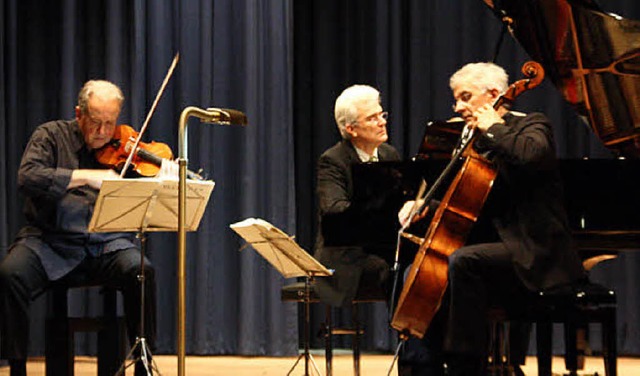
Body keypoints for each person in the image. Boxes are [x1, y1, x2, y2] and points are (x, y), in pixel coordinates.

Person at [397, 62, 586, 375]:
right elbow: (461, 194)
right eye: (456, 99)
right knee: (414, 272)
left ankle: (466, 367)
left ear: (494, 95)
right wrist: (423, 203)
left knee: (464, 261)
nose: (458, 107)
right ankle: (421, 367)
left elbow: (530, 154)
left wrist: (493, 128)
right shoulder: (470, 140)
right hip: (490, 248)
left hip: (532, 250)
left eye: (466, 97)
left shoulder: (532, 125)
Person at [0, 80, 157, 376]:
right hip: (49, 241)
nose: (102, 132)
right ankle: (16, 367)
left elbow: (145, 193)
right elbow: (28, 177)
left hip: (105, 245)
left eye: (109, 123)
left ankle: (144, 367)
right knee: (10, 275)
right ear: (79, 113)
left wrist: (165, 173)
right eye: (95, 122)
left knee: (141, 272)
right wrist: (84, 176)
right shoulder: (50, 135)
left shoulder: (123, 147)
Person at [313, 84, 400, 307]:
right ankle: (405, 333)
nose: (382, 122)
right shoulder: (333, 160)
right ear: (351, 129)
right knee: (391, 270)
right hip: (346, 255)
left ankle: (415, 335)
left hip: (382, 246)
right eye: (372, 118)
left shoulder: (389, 154)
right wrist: (378, 212)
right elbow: (334, 209)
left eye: (382, 115)